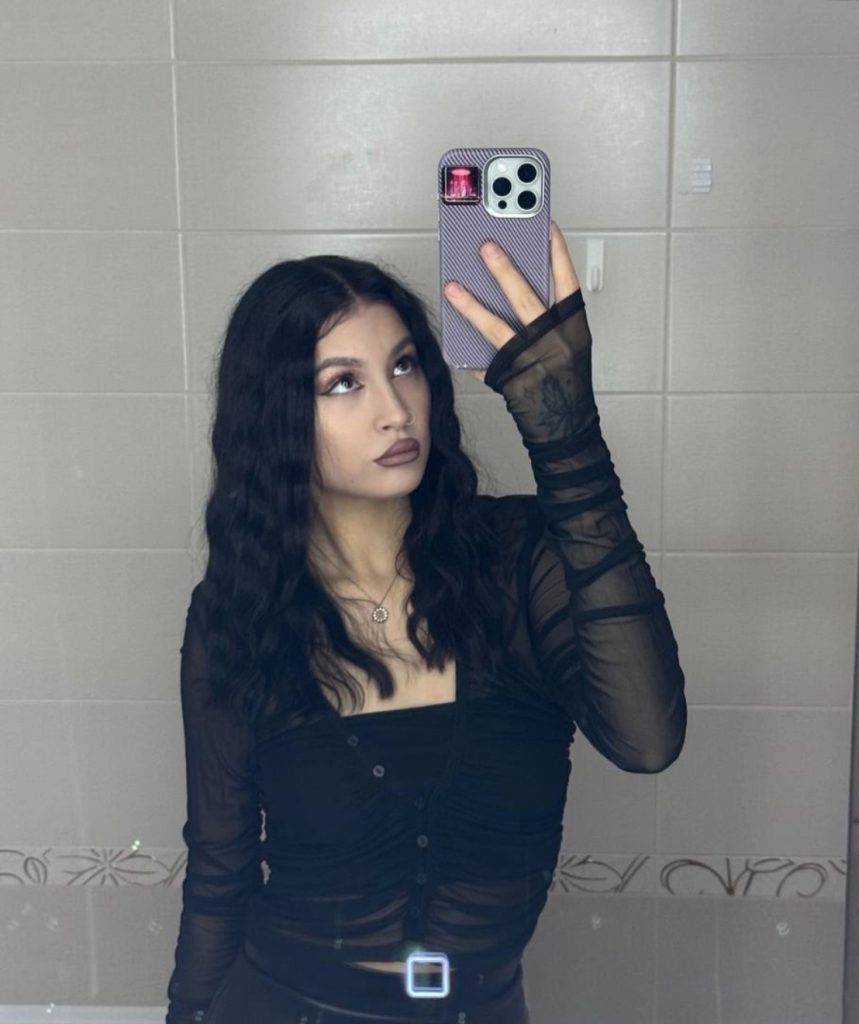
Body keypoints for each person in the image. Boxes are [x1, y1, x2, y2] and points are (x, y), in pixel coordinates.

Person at [164, 223, 687, 1024]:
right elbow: (220, 866)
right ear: (274, 419)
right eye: (343, 383)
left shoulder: (517, 562)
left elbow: (647, 740)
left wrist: (566, 430)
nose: (394, 410)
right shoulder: (238, 610)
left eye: (404, 365)